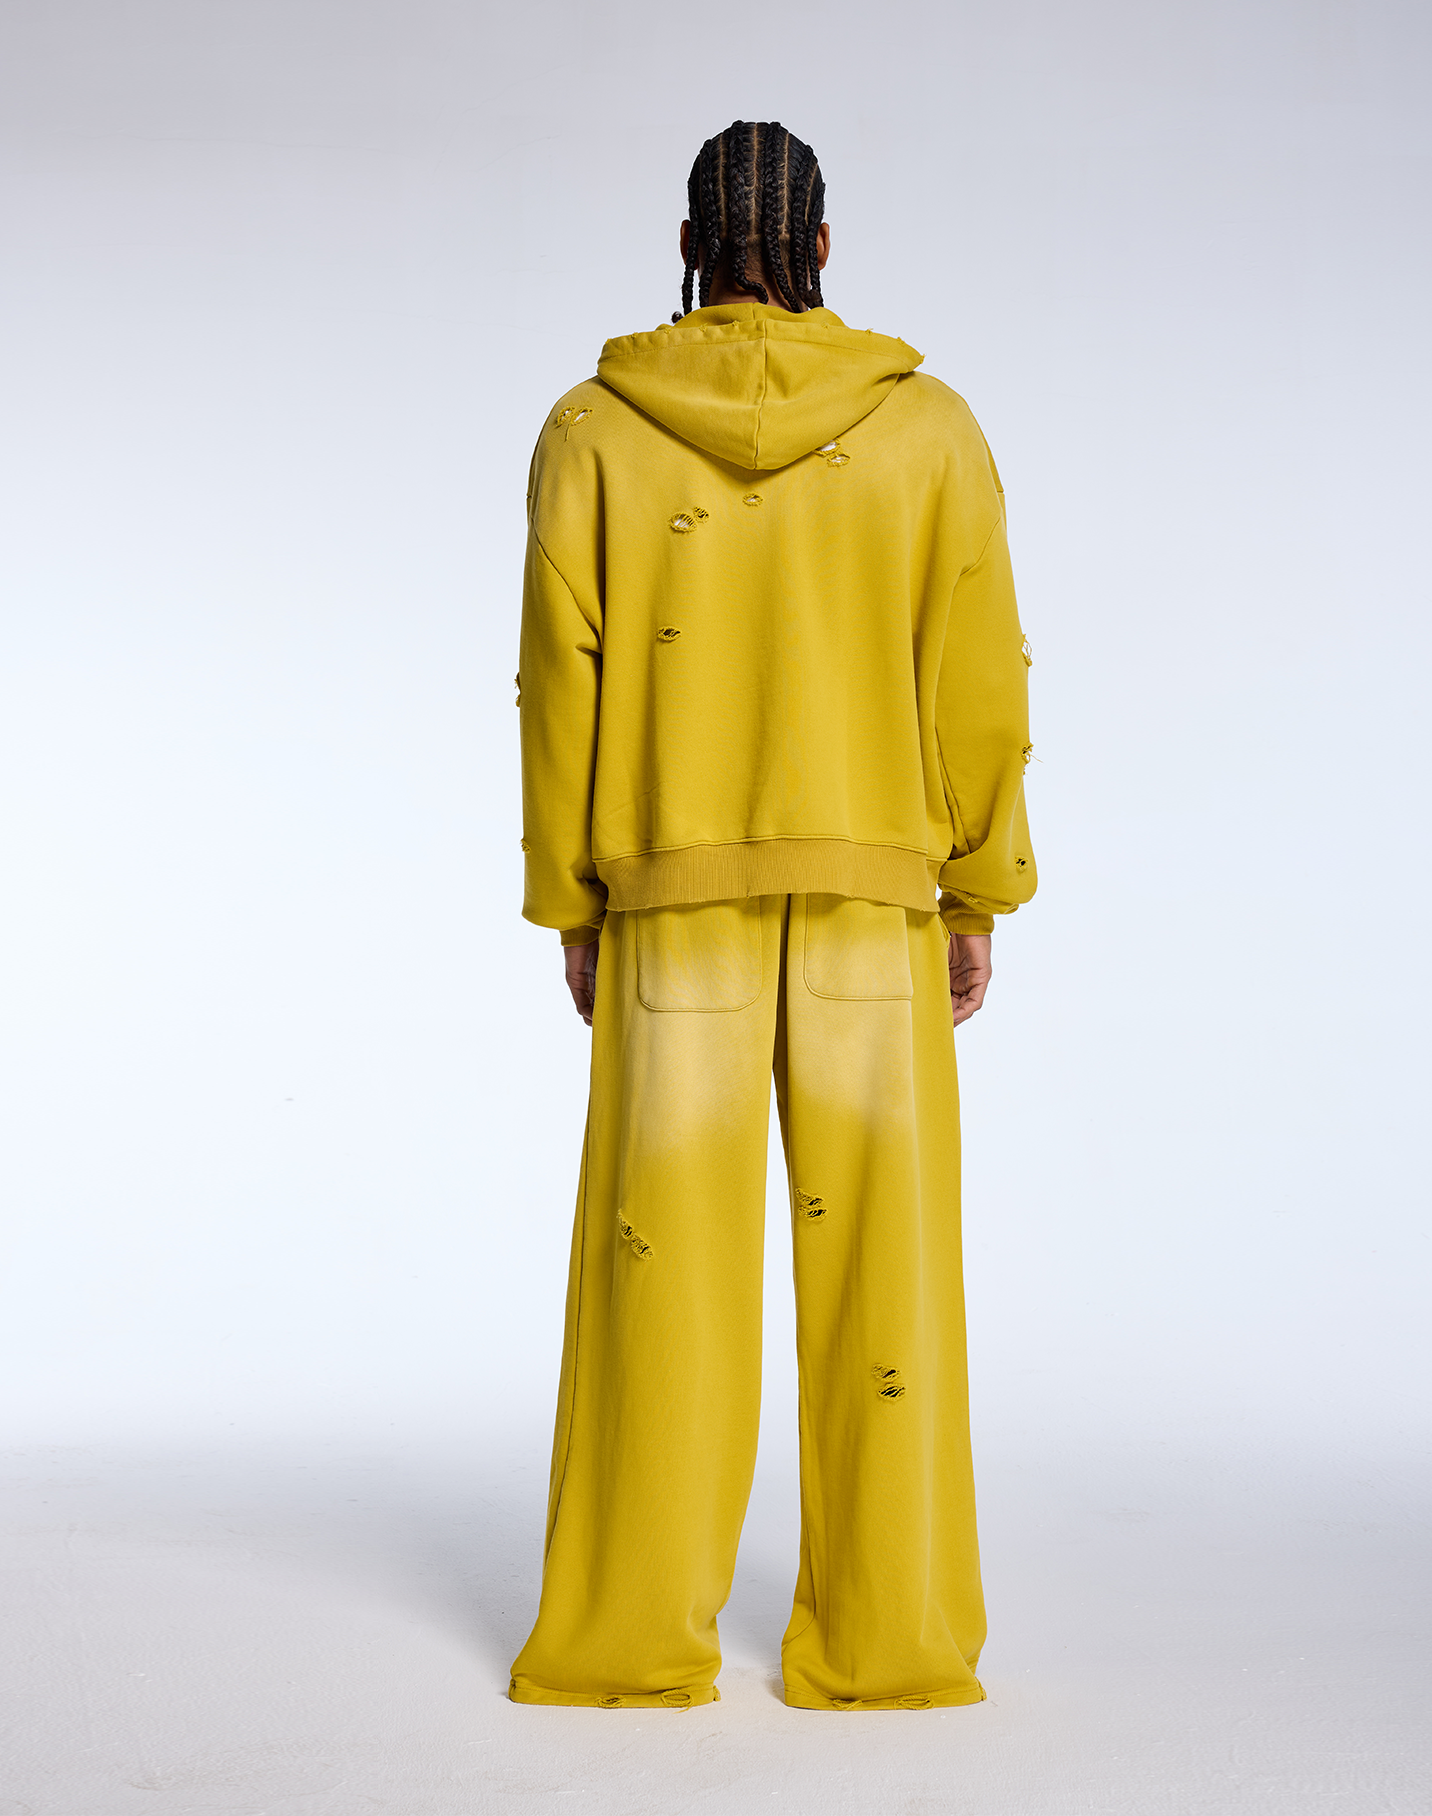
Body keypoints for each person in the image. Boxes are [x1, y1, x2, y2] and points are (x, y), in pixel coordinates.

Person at [508, 121, 1036, 1713]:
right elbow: (980, 677)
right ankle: (889, 1642)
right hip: (878, 901)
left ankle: (626, 1642)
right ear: (819, 248)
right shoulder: (930, 429)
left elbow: (558, 685)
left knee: (659, 1267)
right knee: (887, 1270)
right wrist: (979, 882)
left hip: (673, 905)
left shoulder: (594, 429)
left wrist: (574, 900)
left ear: (690, 244)